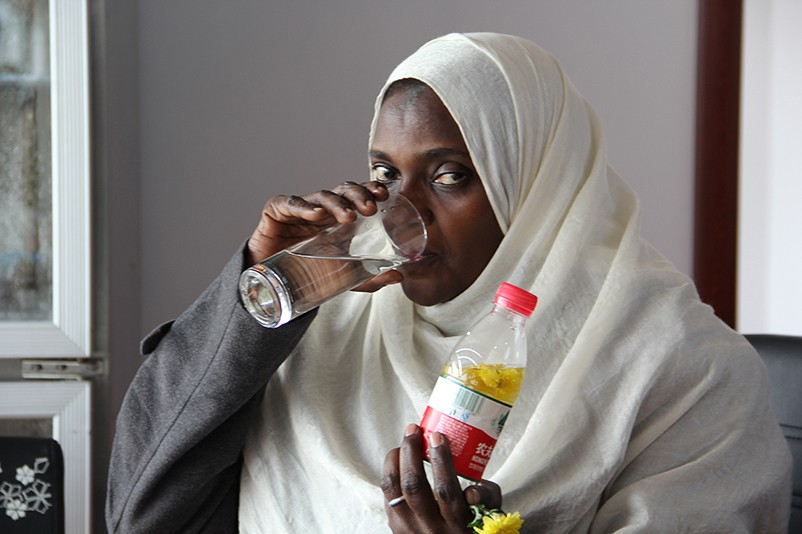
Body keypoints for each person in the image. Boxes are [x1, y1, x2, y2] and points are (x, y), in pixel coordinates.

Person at [106, 33, 792, 533]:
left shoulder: (683, 368)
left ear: (536, 189)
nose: (402, 213)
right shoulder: (329, 322)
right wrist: (254, 299)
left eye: (450, 176)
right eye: (385, 175)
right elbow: (142, 511)